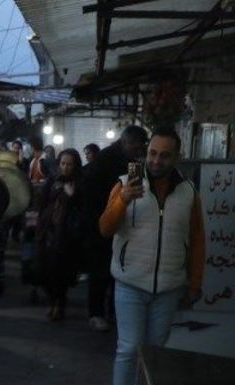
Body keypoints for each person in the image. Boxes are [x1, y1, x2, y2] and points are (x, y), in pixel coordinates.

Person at [98, 126, 205, 385]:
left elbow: (197, 240)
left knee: (155, 353)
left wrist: (195, 282)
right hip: (130, 283)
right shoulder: (123, 184)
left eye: (165, 155)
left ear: (176, 157)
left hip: (169, 287)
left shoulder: (188, 192)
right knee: (128, 348)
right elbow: (105, 229)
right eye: (153, 153)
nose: (156, 160)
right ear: (146, 152)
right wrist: (122, 202)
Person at [78, 125, 149, 333]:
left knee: (116, 271)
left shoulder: (133, 161)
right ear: (127, 142)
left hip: (121, 224)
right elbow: (91, 194)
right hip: (100, 224)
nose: (139, 150)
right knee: (100, 271)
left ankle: (112, 311)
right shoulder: (106, 159)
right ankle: (96, 313)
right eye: (137, 146)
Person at [34, 149, 83, 321]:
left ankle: (59, 303)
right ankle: (51, 300)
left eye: (69, 164)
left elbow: (83, 208)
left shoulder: (80, 183)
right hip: (48, 232)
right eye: (63, 163)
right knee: (46, 270)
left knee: (61, 272)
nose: (65, 167)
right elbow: (42, 203)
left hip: (66, 236)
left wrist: (71, 196)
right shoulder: (52, 180)